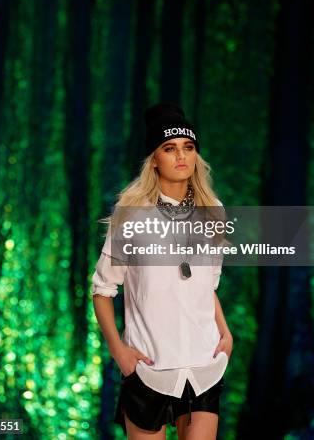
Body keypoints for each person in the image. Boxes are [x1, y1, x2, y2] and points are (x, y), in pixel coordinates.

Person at [92, 103, 233, 439]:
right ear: (154, 159)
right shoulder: (131, 215)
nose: (181, 156)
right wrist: (119, 352)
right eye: (169, 149)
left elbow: (206, 288)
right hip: (150, 368)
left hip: (204, 366)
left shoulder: (213, 213)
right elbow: (102, 291)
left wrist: (225, 333)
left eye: (188, 148)